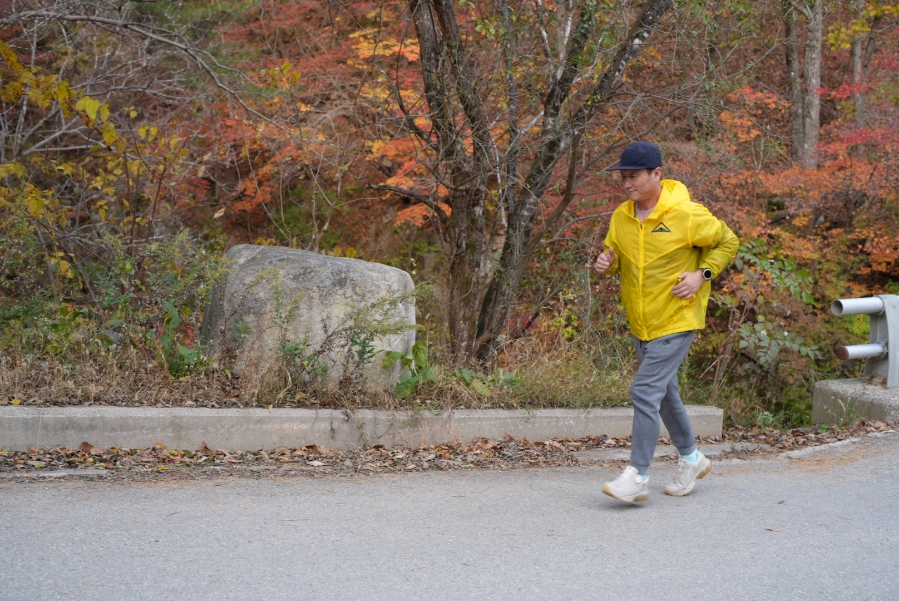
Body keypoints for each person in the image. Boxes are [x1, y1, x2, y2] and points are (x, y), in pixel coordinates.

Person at [591, 141, 739, 504]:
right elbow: (620, 259)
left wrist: (702, 274)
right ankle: (692, 459)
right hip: (642, 323)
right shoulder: (621, 217)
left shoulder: (686, 214)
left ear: (657, 174)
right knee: (664, 395)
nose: (627, 183)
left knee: (644, 392)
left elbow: (727, 241)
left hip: (678, 317)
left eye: (635, 176)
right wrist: (605, 264)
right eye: (623, 177)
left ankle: (637, 476)